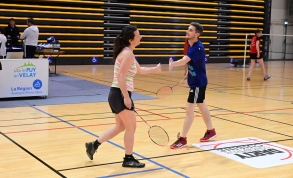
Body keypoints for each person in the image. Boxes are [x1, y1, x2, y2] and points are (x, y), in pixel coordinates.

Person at [85, 25, 161, 168]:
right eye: (138, 35)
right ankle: (128, 158)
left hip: (116, 94)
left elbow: (139, 70)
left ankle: (93, 145)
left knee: (120, 126)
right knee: (131, 128)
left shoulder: (128, 53)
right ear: (131, 39)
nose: (141, 37)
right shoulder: (128, 54)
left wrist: (155, 69)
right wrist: (126, 97)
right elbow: (121, 76)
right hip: (119, 94)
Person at [169, 22, 217, 149]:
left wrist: (173, 64)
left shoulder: (197, 48)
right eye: (187, 29)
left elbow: (185, 60)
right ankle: (211, 131)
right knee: (201, 105)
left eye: (190, 30)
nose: (187, 31)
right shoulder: (191, 45)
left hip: (198, 83)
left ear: (197, 34)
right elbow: (190, 62)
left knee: (189, 109)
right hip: (197, 81)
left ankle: (183, 139)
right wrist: (187, 73)